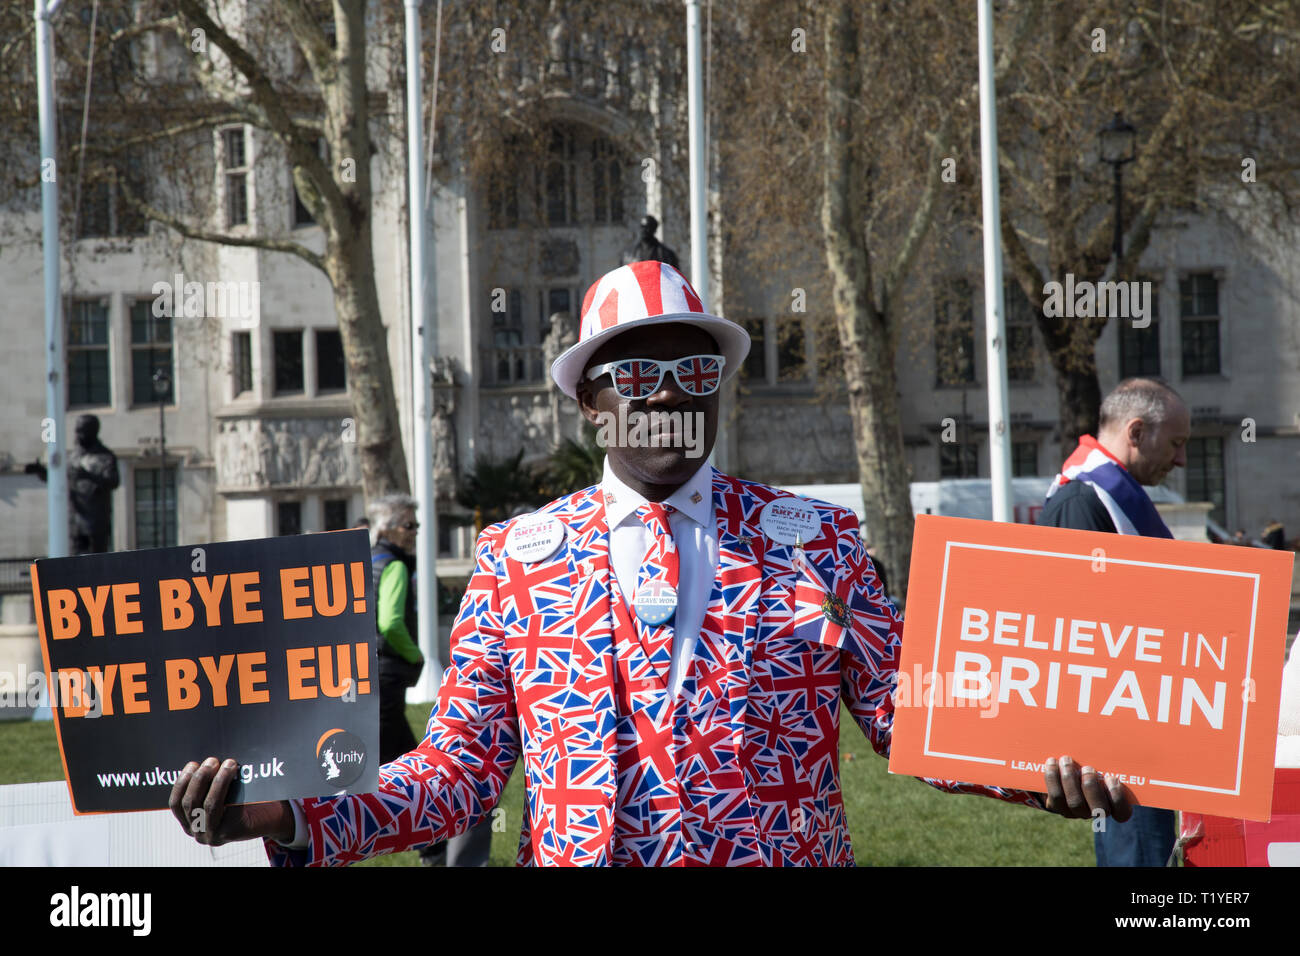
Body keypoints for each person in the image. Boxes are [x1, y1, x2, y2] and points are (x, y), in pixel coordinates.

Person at [170, 261, 1129, 866]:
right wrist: (285, 815)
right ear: (590, 398)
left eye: (696, 372)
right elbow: (457, 776)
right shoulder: (514, 562)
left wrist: (1038, 766)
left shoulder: (819, 542)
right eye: (640, 375)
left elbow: (914, 720)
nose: (672, 394)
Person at [1038, 377, 1190, 867]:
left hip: (1149, 716)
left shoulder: (1102, 497)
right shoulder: (1081, 502)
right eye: (1177, 443)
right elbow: (1079, 630)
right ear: (1138, 431)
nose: (1182, 459)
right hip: (1124, 734)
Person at [67, 414, 120, 554]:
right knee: (74, 566)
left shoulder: (105, 457)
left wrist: (88, 475)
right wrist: (45, 473)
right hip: (75, 523)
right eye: (77, 430)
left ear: (92, 432)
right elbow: (63, 480)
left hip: (96, 524)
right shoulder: (73, 456)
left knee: (96, 566)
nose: (77, 435)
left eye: (81, 430)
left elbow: (113, 481)